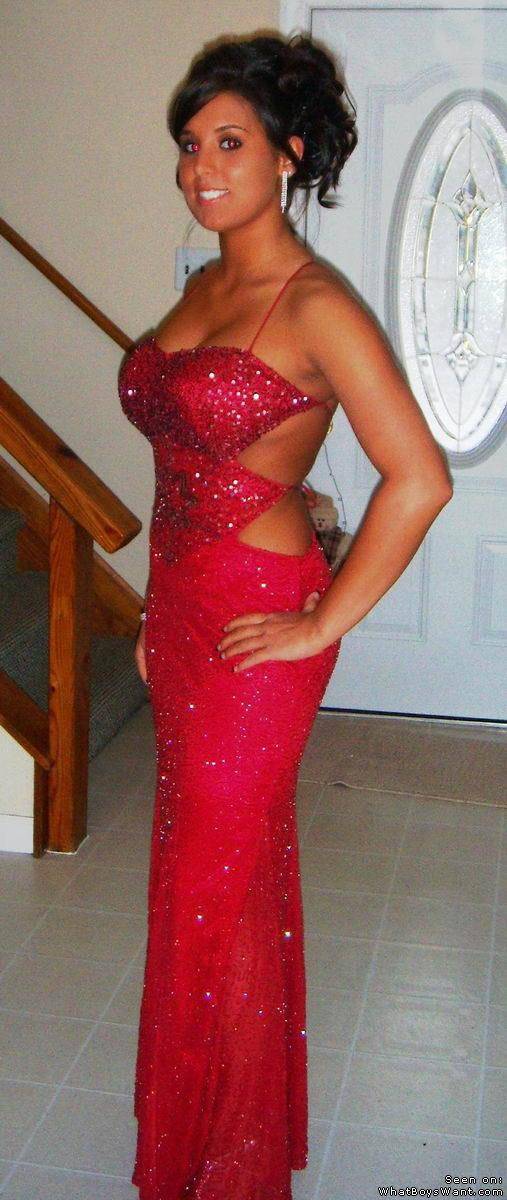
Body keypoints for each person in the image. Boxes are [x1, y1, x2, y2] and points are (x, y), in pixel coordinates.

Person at [118, 31, 453, 1200]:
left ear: (288, 154)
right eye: (189, 144)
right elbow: (179, 467)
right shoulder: (205, 286)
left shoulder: (316, 305)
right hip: (184, 617)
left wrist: (320, 626)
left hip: (262, 633)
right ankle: (231, 1140)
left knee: (200, 892)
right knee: (222, 879)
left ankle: (202, 1161)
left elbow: (419, 480)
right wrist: (156, 609)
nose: (199, 168)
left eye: (228, 143)